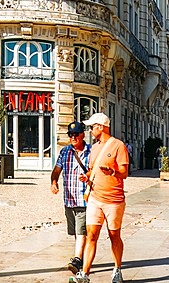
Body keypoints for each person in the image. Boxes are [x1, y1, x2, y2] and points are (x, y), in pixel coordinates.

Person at [76, 113, 129, 283]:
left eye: (91, 127)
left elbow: (124, 172)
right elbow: (93, 170)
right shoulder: (94, 148)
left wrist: (113, 171)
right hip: (94, 198)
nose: (90, 130)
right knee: (91, 235)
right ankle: (85, 274)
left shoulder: (118, 146)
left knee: (114, 235)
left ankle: (117, 269)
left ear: (100, 126)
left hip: (113, 200)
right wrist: (88, 176)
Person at [51, 121, 91, 275]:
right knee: (75, 231)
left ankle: (77, 259)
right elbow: (56, 170)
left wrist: (87, 176)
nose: (73, 137)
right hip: (69, 199)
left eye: (76, 134)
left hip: (84, 199)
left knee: (81, 230)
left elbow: (95, 172)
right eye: (70, 135)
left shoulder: (91, 151)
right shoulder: (65, 151)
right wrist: (53, 182)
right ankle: (80, 257)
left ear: (83, 134)